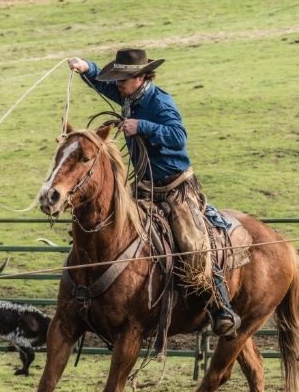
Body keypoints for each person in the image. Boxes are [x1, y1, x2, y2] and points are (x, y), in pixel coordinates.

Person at [68, 48, 239, 337]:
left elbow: (178, 136)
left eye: (123, 78)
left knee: (192, 241)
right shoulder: (127, 95)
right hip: (144, 187)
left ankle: (220, 306)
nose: (118, 83)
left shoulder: (160, 103)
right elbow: (103, 83)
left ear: (140, 77)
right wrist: (86, 67)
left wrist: (142, 126)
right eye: (118, 78)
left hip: (175, 189)